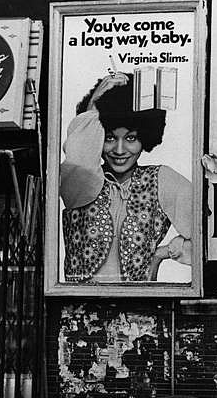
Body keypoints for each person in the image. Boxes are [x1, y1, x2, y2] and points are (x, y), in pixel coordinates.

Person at [60, 71, 192, 283]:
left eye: (131, 138)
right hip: (79, 306)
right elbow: (79, 156)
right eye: (110, 138)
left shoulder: (161, 179)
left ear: (145, 139)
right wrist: (96, 105)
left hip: (140, 308)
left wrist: (163, 253)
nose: (119, 150)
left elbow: (208, 232)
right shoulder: (79, 180)